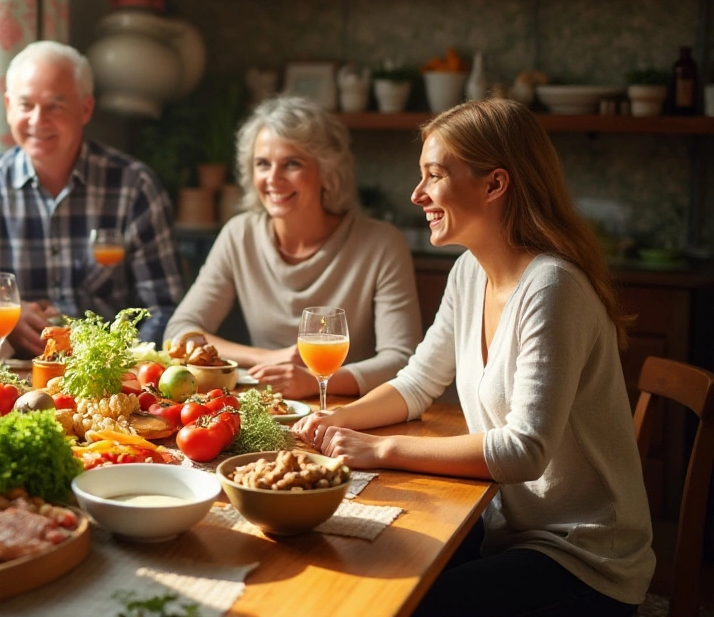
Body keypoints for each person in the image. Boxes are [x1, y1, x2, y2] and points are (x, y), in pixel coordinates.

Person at [294, 99, 653, 616]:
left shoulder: (552, 288)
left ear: (494, 184)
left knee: (408, 601)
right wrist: (331, 421)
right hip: (512, 532)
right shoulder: (470, 271)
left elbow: (522, 451)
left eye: (434, 175)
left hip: (585, 558)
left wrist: (379, 450)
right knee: (365, 566)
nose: (417, 194)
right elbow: (418, 382)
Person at [165, 95, 420, 399]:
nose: (273, 179)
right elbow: (180, 332)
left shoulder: (381, 244)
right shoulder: (239, 234)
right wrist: (266, 357)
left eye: (292, 164)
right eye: (262, 164)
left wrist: (317, 382)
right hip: (265, 408)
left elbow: (402, 359)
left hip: (350, 412)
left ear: (327, 171)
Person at [0, 41, 185, 355]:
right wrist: (8, 319)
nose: (37, 120)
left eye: (54, 106)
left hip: (110, 377)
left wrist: (123, 365)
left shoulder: (134, 187)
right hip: (12, 376)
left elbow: (164, 306)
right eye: (26, 105)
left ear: (85, 109)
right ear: (8, 107)